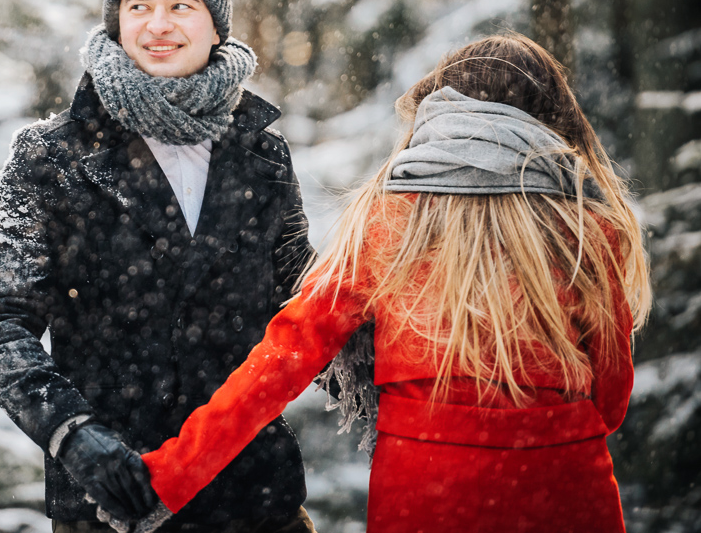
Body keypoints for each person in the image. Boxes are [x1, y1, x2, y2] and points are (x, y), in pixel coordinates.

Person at [140, 34, 652, 533]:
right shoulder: (587, 230)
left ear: (443, 110)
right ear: (551, 121)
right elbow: (610, 401)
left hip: (426, 488)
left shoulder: (386, 221)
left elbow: (281, 360)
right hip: (564, 486)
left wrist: (169, 475)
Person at [0, 0, 317, 532]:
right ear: (115, 20)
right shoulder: (52, 158)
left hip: (255, 500)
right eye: (137, 4)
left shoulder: (262, 155)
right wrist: (73, 434)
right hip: (117, 502)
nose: (158, 24)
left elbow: (306, 305)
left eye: (182, 4)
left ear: (216, 27)